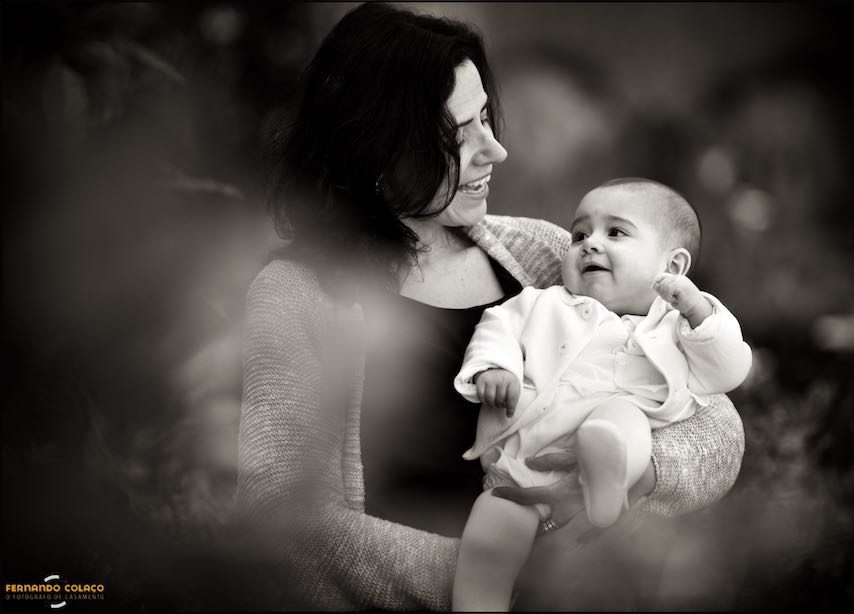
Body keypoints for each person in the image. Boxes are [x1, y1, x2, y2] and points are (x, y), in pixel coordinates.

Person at [237, 3, 745, 610]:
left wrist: (636, 472)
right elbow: (285, 521)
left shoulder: (548, 255)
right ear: (377, 149)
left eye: (485, 118)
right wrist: (494, 577)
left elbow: (719, 430)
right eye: (459, 134)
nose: (495, 150)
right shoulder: (299, 294)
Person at [451, 178, 753, 610]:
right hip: (519, 470)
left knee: (619, 418)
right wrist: (496, 367)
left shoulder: (677, 328)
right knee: (488, 537)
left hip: (618, 439)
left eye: (615, 232)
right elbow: (497, 327)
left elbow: (728, 369)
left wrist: (697, 309)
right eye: (579, 234)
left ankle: (606, 473)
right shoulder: (543, 303)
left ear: (673, 267)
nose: (589, 244)